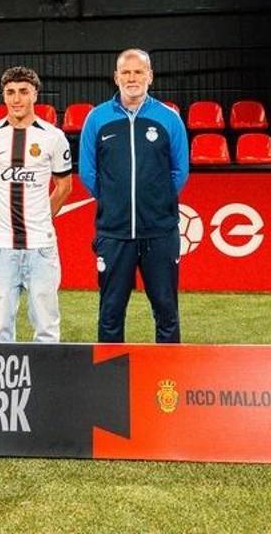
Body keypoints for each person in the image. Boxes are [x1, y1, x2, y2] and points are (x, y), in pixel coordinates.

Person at [79, 48, 189, 343]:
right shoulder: (97, 118)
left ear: (150, 76)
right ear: (115, 77)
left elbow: (180, 171)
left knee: (166, 311)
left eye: (138, 71)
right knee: (111, 312)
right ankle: (109, 381)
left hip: (160, 232)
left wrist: (157, 200)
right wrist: (115, 202)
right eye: (125, 72)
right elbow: (88, 173)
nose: (132, 78)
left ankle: (168, 380)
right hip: (113, 234)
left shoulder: (169, 119)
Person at [0, 66, 72, 342]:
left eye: (23, 92)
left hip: (41, 246)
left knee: (47, 329)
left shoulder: (53, 137)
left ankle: (48, 384)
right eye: (10, 92)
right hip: (0, 247)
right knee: (0, 328)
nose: (16, 99)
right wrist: (1, 208)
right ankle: (5, 384)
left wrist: (41, 215)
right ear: (3, 96)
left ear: (35, 95)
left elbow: (64, 187)